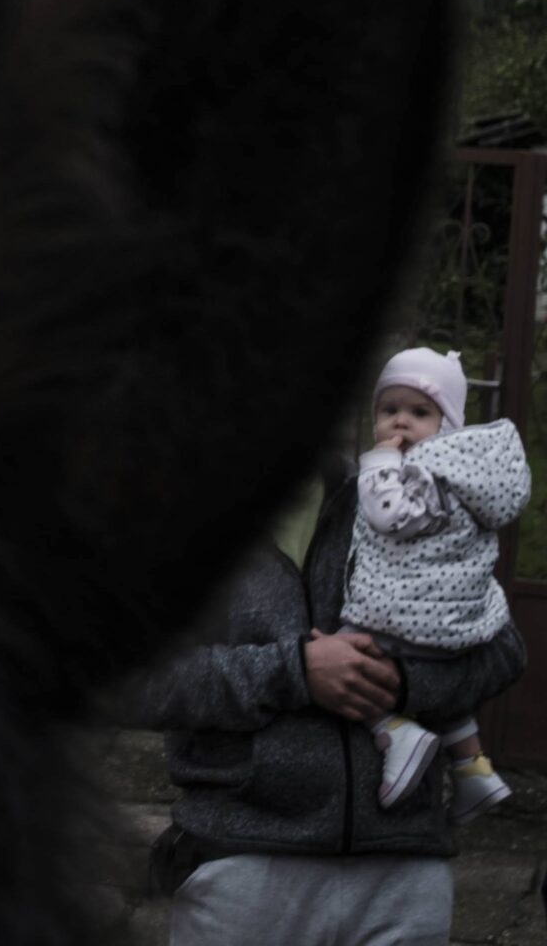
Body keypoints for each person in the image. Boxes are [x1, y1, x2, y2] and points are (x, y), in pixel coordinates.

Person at [126, 385, 528, 946]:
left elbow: (502, 652)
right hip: (242, 867)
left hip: (401, 872)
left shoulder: (404, 492)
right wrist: (294, 671)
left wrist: (403, 683)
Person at [347, 348, 530, 821]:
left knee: (345, 651)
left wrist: (379, 462)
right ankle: (473, 767)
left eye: (419, 413)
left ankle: (394, 732)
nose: (400, 423)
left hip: (406, 619)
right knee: (448, 701)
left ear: (447, 424)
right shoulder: (466, 476)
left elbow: (388, 515)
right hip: (454, 625)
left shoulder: (427, 472)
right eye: (389, 410)